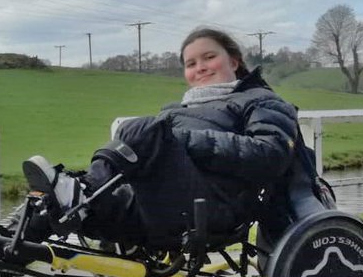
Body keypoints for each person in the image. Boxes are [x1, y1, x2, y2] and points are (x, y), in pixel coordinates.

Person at [23, 28, 300, 247]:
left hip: (214, 207)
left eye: (209, 57)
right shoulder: (175, 111)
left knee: (140, 128)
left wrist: (186, 140)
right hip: (157, 204)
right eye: (191, 63)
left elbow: (271, 154)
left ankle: (79, 193)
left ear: (235, 61)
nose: (200, 67)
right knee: (48, 208)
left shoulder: (261, 101)